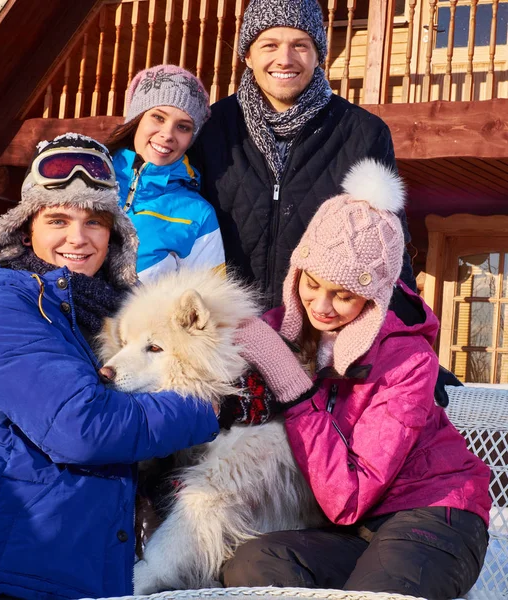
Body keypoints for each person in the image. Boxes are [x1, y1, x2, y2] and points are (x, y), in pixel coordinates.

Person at [0, 134, 220, 600]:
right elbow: (81, 427)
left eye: (95, 223)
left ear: (114, 235)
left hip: (84, 570)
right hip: (8, 569)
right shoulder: (1, 304)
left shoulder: (105, 311)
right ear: (26, 229)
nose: (78, 239)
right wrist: (208, 411)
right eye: (58, 219)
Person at [228, 159, 491, 599]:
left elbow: (348, 495)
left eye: (344, 295)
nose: (322, 305)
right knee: (250, 565)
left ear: (373, 298)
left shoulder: (408, 362)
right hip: (344, 530)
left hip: (432, 513)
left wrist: (295, 390)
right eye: (311, 283)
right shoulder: (275, 333)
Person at [189, 0, 415, 309]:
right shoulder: (211, 128)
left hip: (318, 336)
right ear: (248, 55)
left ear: (318, 55)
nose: (284, 59)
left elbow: (388, 246)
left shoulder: (363, 133)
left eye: (300, 45)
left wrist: (405, 332)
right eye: (269, 45)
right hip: (224, 334)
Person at [107, 65, 225, 283]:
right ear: (137, 118)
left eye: (183, 127)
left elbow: (211, 304)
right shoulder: (89, 177)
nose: (168, 134)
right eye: (158, 118)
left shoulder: (197, 215)